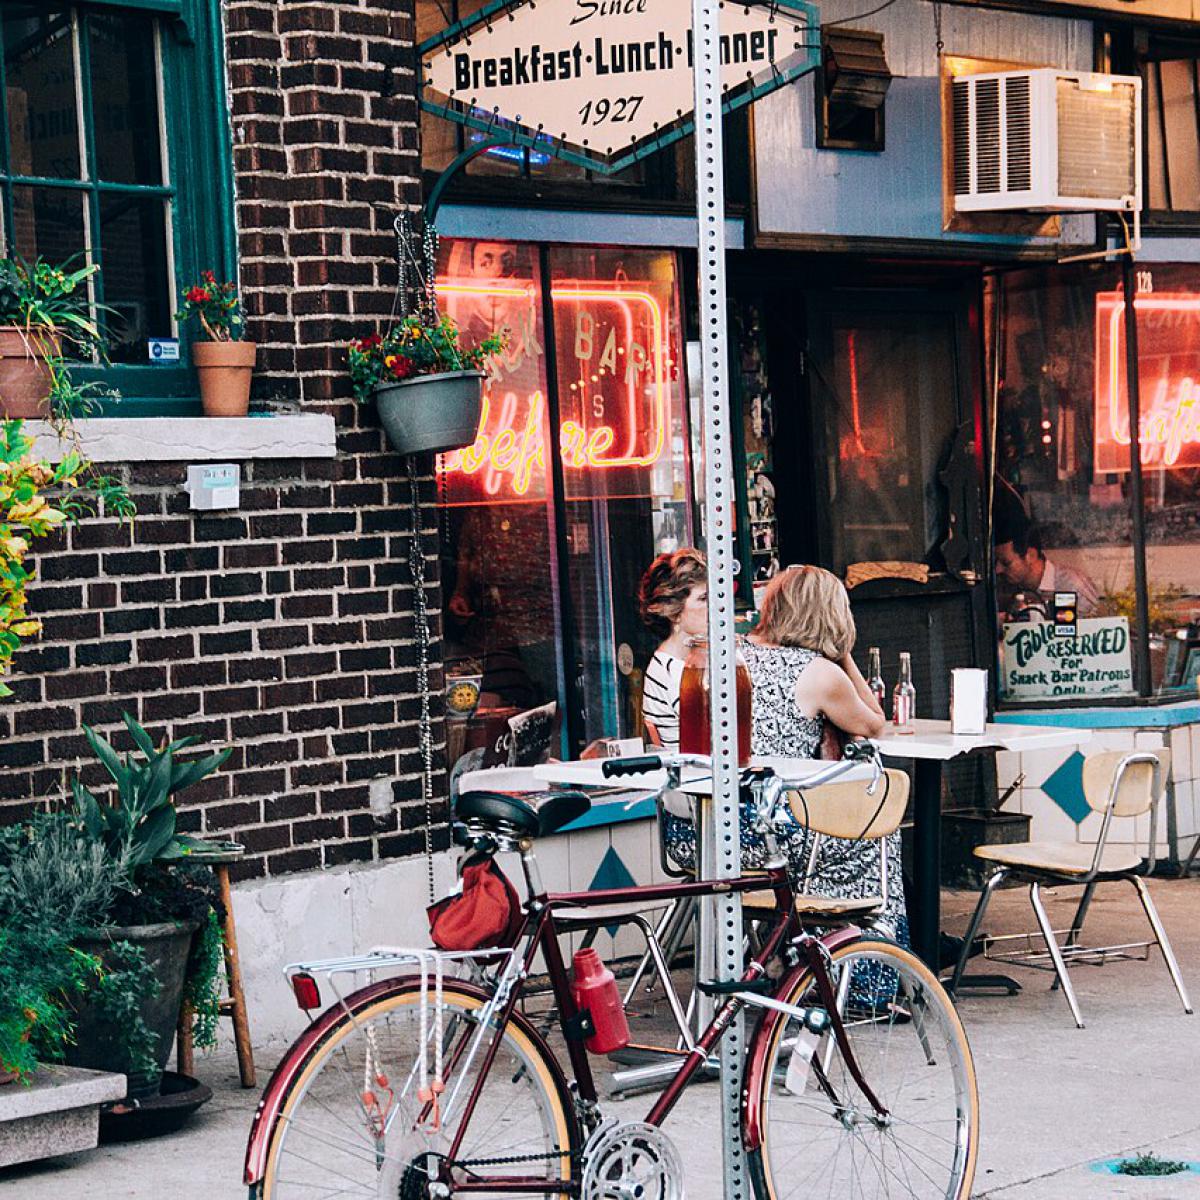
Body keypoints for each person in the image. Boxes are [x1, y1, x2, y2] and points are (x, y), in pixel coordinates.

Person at [661, 564, 908, 955]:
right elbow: (875, 724)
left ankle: (791, 950)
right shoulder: (820, 673)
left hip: (692, 834)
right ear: (832, 616)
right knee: (875, 829)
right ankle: (857, 968)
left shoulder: (728, 654)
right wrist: (844, 655)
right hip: (760, 836)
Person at [636, 548, 708, 751]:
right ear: (674, 612)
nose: (716, 606)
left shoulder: (678, 661)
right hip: (698, 776)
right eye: (703, 599)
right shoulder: (674, 673)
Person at [995, 523, 1100, 618]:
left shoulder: (1071, 586)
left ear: (1031, 556)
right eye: (996, 563)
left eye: (1006, 563)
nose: (998, 570)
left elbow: (1093, 629)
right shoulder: (1009, 589)